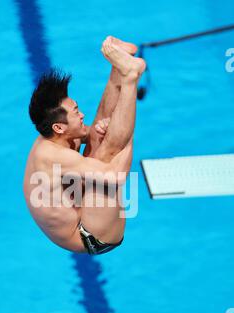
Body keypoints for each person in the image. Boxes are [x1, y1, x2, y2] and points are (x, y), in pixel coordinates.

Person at [23, 36, 146, 255]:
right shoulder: (51, 155)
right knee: (109, 151)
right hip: (89, 235)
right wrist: (129, 137)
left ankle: (119, 67)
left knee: (100, 131)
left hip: (82, 202)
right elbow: (116, 176)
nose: (82, 115)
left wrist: (108, 127)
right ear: (59, 127)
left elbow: (95, 131)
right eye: (76, 113)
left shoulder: (58, 133)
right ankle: (129, 78)